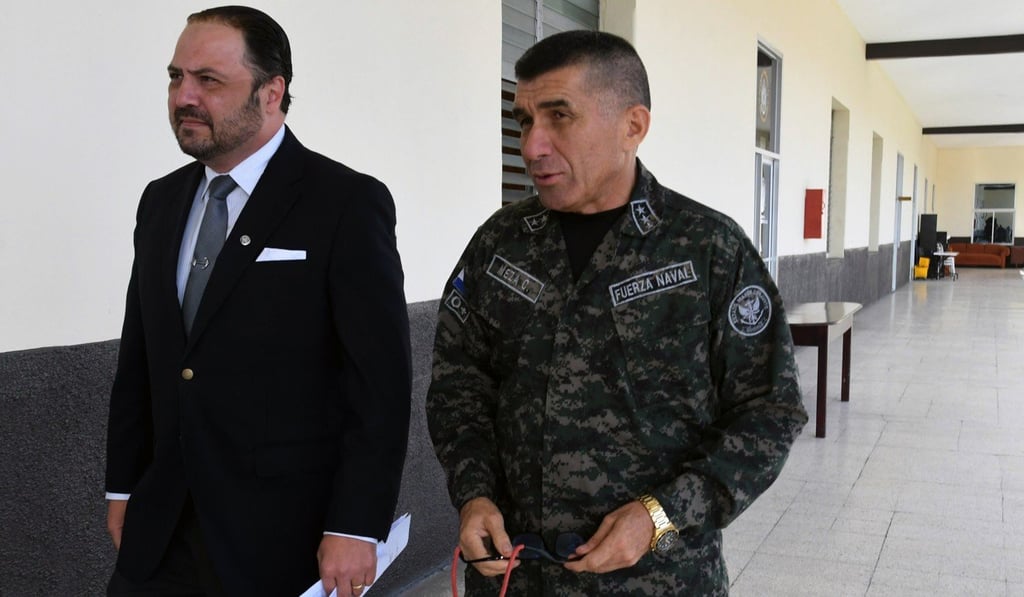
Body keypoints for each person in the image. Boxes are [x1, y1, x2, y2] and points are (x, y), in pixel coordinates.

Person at [426, 30, 808, 595]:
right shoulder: (501, 244)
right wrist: (474, 493)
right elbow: (460, 384)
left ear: (634, 125)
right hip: (516, 575)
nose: (532, 145)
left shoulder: (706, 250)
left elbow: (770, 411)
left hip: (657, 578)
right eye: (525, 120)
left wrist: (662, 515)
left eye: (560, 116)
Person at [104, 6, 411, 596]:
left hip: (282, 539)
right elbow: (140, 359)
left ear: (273, 92)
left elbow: (379, 385)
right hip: (160, 527)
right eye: (175, 77)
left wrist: (356, 524)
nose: (183, 96)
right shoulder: (161, 202)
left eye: (208, 81)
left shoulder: (345, 203)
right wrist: (122, 488)